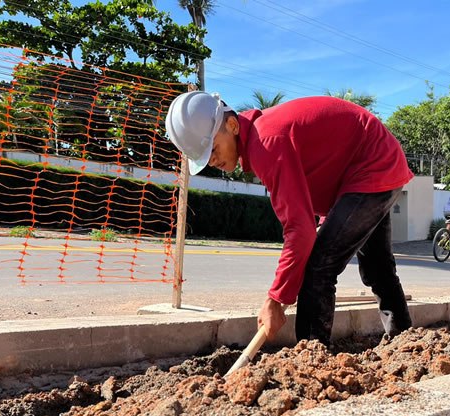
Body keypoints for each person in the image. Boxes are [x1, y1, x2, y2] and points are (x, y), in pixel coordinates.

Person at [165, 91, 414, 344]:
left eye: (213, 149)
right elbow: (323, 175)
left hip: (372, 166)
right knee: (377, 268)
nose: (212, 161)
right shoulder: (265, 136)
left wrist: (275, 299)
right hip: (377, 162)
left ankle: (310, 357)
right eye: (205, 158)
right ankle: (404, 340)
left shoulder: (266, 143)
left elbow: (299, 231)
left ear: (232, 125)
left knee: (317, 267)